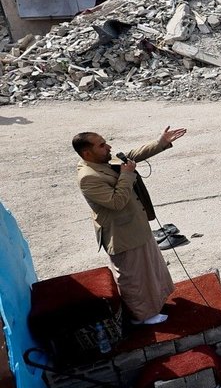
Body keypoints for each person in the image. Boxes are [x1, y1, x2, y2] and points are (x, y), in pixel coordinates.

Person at [73, 126, 186, 325]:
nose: (108, 147)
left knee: (148, 270)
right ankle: (142, 316)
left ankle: (153, 306)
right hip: (122, 235)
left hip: (135, 228)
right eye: (102, 145)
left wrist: (160, 142)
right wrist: (126, 175)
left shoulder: (102, 162)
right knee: (133, 278)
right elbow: (116, 202)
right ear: (87, 153)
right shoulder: (88, 177)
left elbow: (132, 156)